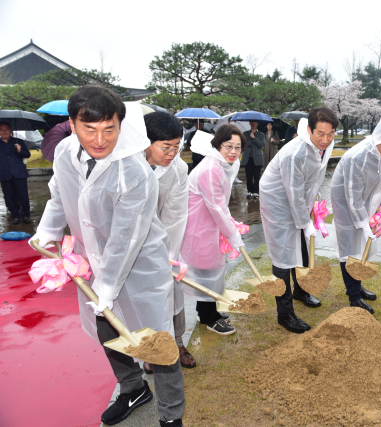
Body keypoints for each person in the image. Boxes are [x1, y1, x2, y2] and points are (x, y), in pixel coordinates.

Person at [30, 86, 185, 427]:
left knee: (158, 340)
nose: (100, 139)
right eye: (89, 128)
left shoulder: (134, 171)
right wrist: (48, 230)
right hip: (93, 257)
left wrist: (109, 286)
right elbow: (60, 195)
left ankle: (172, 417)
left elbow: (126, 238)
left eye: (109, 128)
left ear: (120, 124)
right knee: (106, 328)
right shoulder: (66, 153)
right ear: (72, 124)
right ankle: (132, 388)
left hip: (140, 264)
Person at [259, 106, 338, 333]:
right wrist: (305, 223)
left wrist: (313, 201)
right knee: (283, 256)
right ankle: (285, 313)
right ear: (309, 130)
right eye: (320, 134)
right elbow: (292, 192)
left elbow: (311, 179)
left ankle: (301, 290)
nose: (325, 139)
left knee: (302, 246)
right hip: (278, 201)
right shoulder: (296, 153)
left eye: (330, 133)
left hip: (298, 198)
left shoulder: (325, 145)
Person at [331, 113, 381, 315]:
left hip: (366, 198)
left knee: (362, 246)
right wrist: (363, 224)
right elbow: (352, 196)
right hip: (345, 203)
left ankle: (358, 285)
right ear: (378, 137)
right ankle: (353, 296)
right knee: (349, 248)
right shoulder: (357, 157)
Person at [142, 111, 196, 373]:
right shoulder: (127, 165)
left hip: (163, 240)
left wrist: (167, 256)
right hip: (128, 241)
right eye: (166, 147)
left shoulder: (178, 169)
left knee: (172, 293)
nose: (172, 153)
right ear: (146, 141)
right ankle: (149, 349)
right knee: (142, 301)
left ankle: (178, 342)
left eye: (177, 146)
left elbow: (175, 216)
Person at [179, 125, 246, 336]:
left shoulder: (223, 164)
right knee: (205, 272)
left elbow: (220, 206)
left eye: (238, 147)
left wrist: (228, 227)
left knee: (209, 270)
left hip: (210, 224)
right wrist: (233, 235)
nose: (233, 151)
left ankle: (206, 311)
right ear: (217, 145)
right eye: (229, 146)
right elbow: (217, 207)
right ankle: (210, 318)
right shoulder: (210, 169)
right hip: (200, 226)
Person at [0, 121, 31, 225]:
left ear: (10, 131)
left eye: (6, 130)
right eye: (2, 130)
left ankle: (26, 215)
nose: (4, 132)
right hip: (4, 174)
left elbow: (27, 154)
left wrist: (20, 150)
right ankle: (15, 216)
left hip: (19, 173)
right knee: (9, 197)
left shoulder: (19, 142)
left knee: (23, 196)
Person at [241, 120, 265, 199]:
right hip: (247, 157)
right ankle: (249, 191)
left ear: (257, 123)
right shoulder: (245, 133)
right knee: (248, 175)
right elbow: (244, 144)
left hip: (257, 158)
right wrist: (251, 141)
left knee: (257, 176)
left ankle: (256, 191)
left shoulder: (261, 134)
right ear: (249, 123)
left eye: (255, 122)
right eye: (252, 122)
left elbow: (261, 145)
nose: (253, 124)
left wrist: (254, 138)